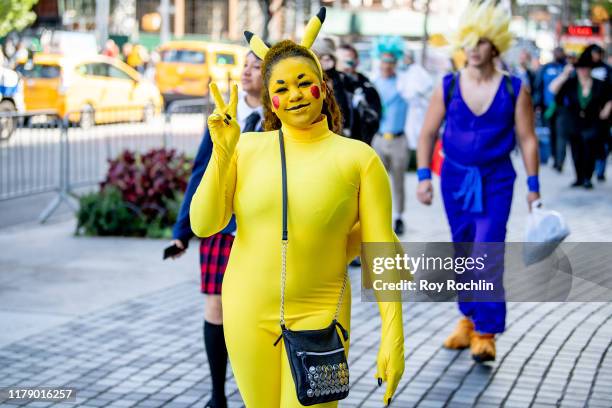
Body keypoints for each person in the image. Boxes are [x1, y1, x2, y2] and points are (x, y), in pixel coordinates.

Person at [189, 8, 404, 407]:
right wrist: (222, 152)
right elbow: (204, 224)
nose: (295, 96)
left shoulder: (359, 159)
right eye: (282, 88)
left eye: (304, 83)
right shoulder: (247, 148)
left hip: (322, 314)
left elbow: (382, 249)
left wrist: (394, 334)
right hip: (246, 310)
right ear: (270, 99)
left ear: (323, 85)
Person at [416, 0, 540, 362]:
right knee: (463, 252)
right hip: (454, 179)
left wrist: (534, 188)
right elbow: (426, 134)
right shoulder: (448, 85)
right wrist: (423, 177)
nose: (473, 48)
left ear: (495, 46)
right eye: (468, 41)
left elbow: (528, 139)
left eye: (481, 41)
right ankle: (467, 320)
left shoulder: (516, 89)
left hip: (497, 179)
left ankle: (486, 330)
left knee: (487, 253)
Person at [170, 51, 264, 408]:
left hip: (261, 232)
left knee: (257, 313)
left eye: (257, 66)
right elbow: (200, 171)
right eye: (245, 64)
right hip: (222, 229)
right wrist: (183, 230)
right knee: (216, 309)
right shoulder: (223, 115)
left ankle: (257, 389)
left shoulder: (279, 119)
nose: (247, 71)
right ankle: (217, 394)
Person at [549, 50, 611, 189]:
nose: (583, 71)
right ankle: (579, 177)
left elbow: (609, 98)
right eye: (580, 68)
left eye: (586, 68)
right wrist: (565, 74)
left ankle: (587, 177)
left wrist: (606, 110)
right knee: (576, 150)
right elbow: (553, 89)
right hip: (575, 121)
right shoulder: (571, 83)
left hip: (593, 121)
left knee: (589, 149)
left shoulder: (599, 84)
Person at [372, 37, 409, 235]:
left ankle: (399, 217)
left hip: (399, 139)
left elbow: (423, 86)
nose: (387, 65)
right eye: (384, 60)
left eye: (391, 61)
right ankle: (380, 217)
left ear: (396, 62)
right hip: (378, 138)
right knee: (378, 182)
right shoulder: (373, 83)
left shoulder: (404, 83)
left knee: (398, 181)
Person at [337, 43, 382, 145]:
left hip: (358, 145)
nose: (343, 67)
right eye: (339, 62)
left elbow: (373, 122)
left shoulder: (367, 89)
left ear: (357, 62)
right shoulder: (329, 87)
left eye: (348, 62)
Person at [311, 38, 354, 138]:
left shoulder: (342, 80)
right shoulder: (311, 78)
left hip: (338, 133)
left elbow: (347, 110)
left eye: (320, 57)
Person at [397, 49, 434, 160]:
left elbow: (426, 86)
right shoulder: (405, 72)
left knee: (419, 134)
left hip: (419, 108)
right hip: (409, 109)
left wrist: (417, 95)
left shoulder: (418, 71)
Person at [534, 47, 566, 171]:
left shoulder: (567, 68)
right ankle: (554, 156)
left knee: (561, 134)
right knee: (551, 133)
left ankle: (559, 161)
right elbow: (539, 86)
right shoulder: (546, 68)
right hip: (548, 107)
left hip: (563, 107)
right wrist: (537, 104)